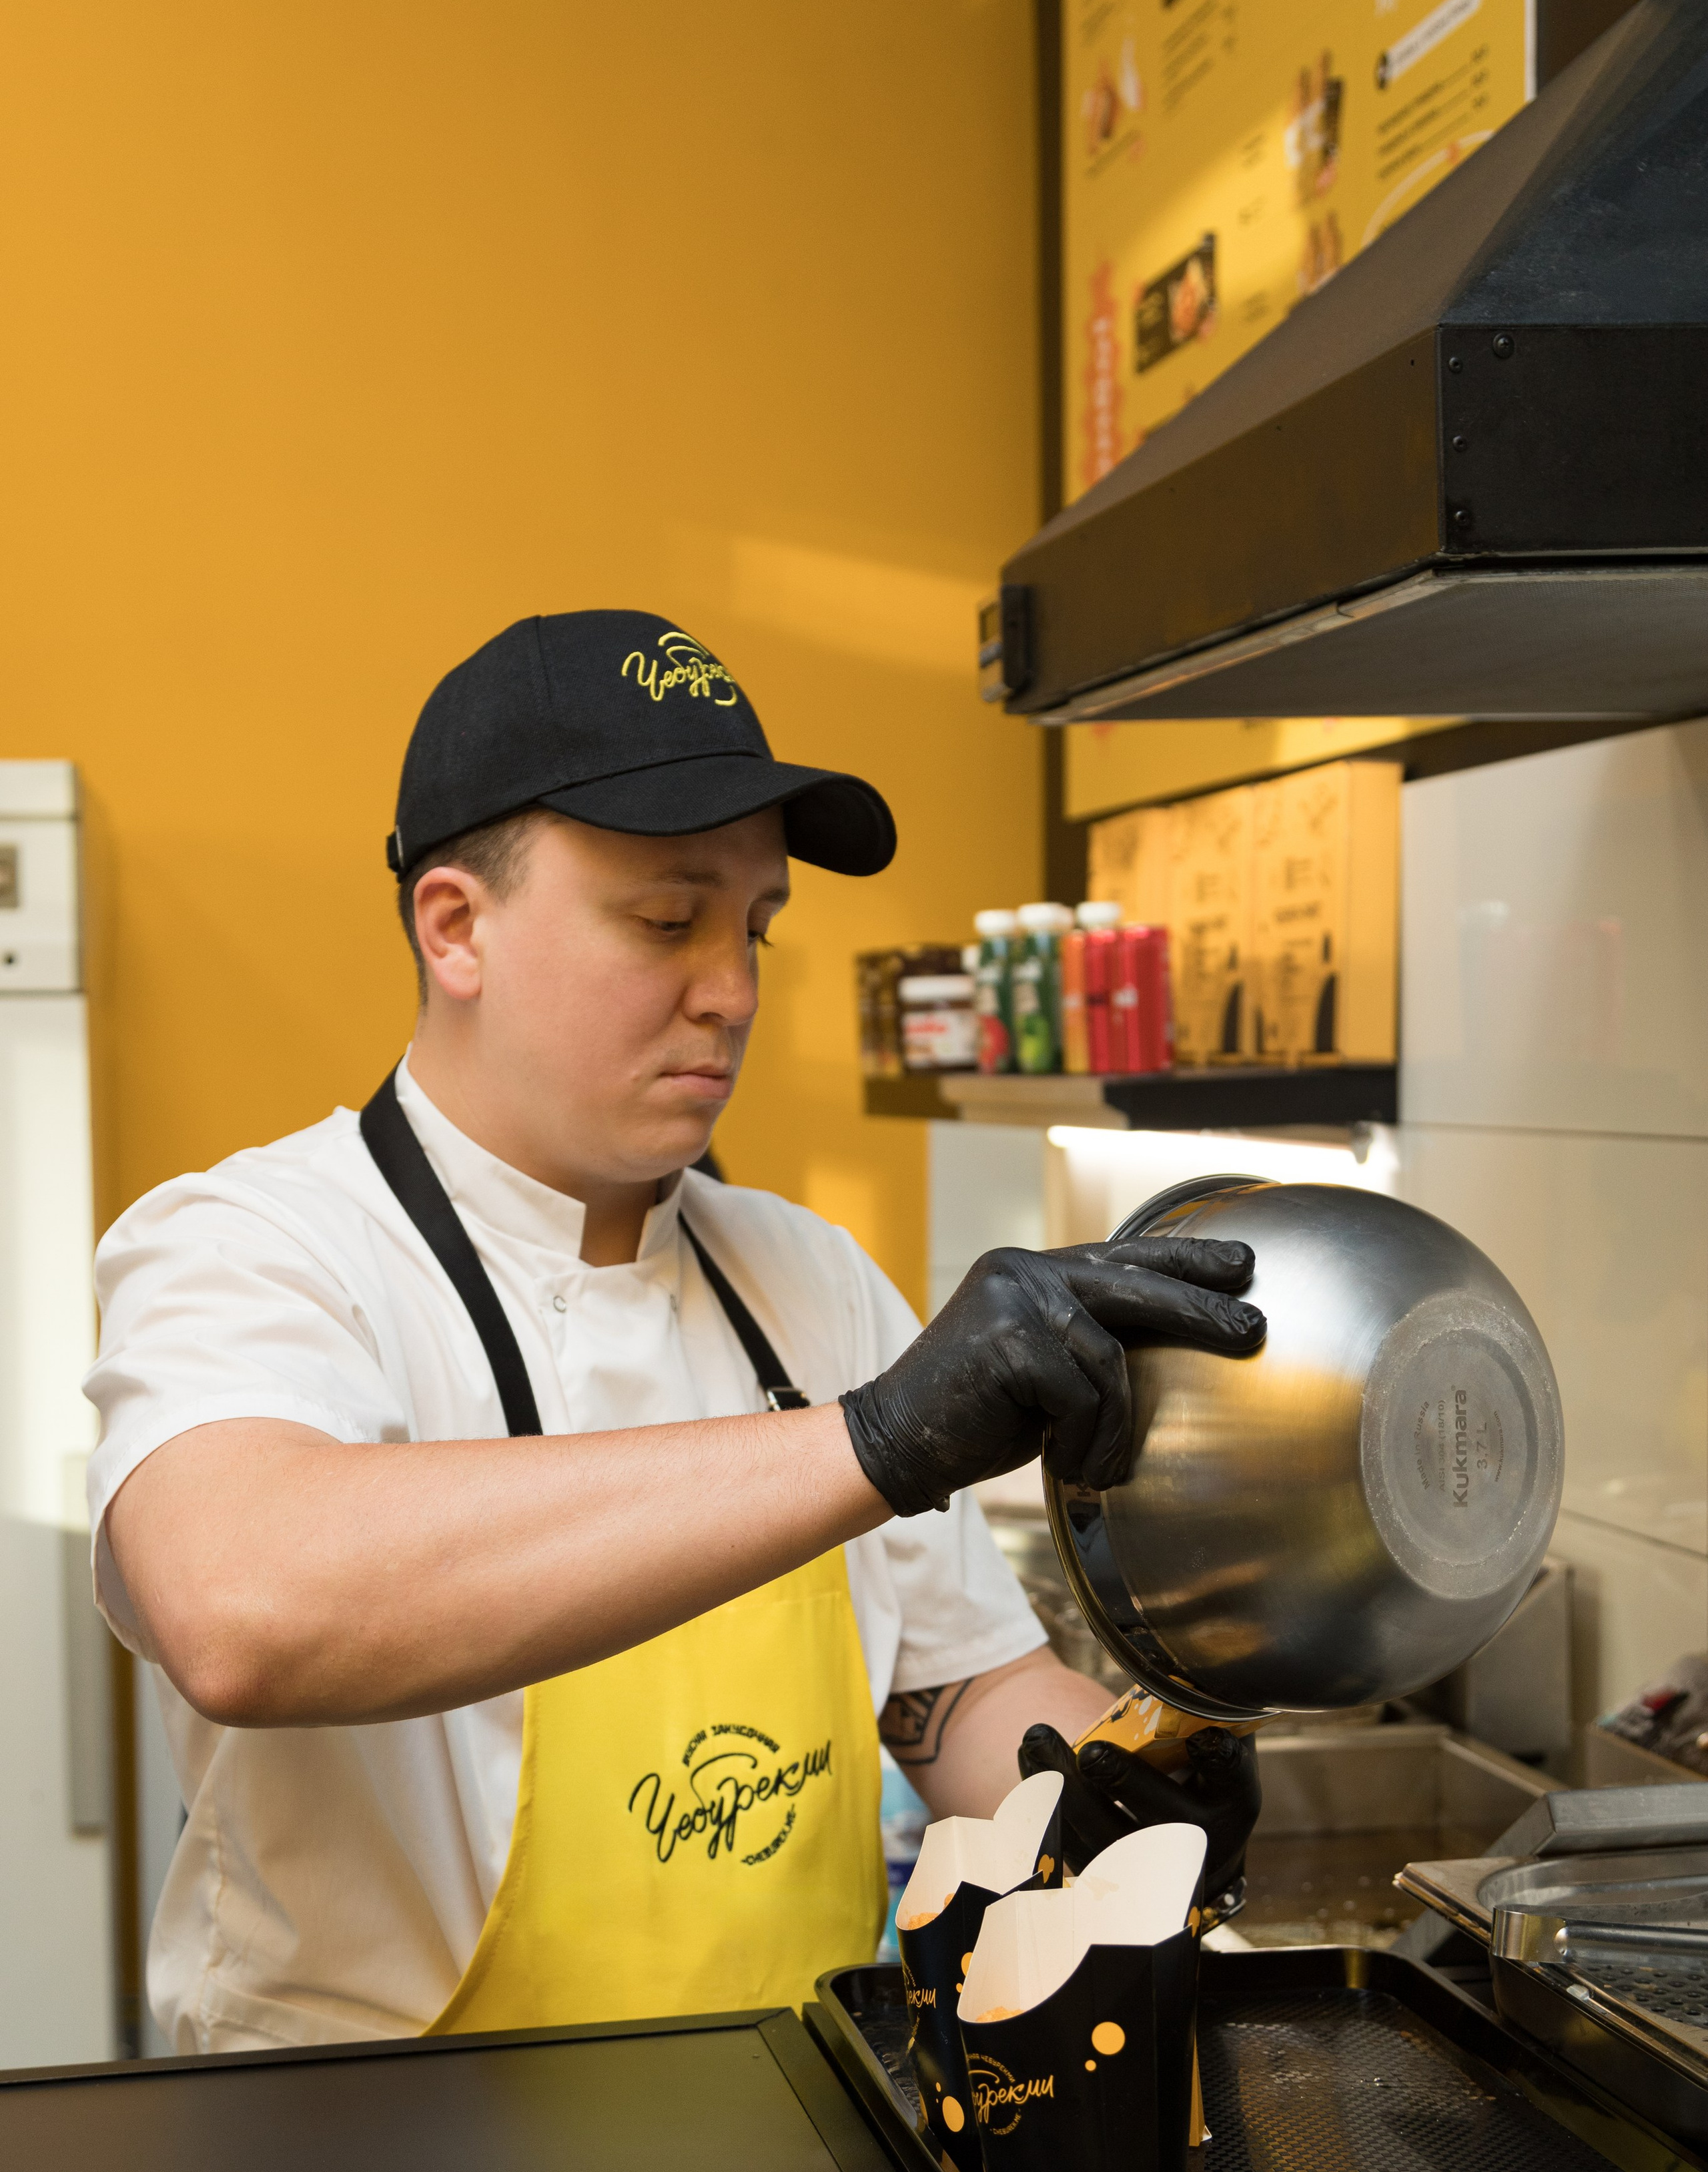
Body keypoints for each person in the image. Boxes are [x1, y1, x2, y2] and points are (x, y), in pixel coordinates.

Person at [87, 610, 1264, 2053]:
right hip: (375, 2150)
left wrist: (1113, 1791)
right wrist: (873, 1441)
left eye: (756, 927)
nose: (733, 992)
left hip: (794, 2131)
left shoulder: (808, 1274)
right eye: (665, 921)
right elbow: (241, 1608)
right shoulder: (257, 1243)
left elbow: (955, 1690)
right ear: (455, 927)